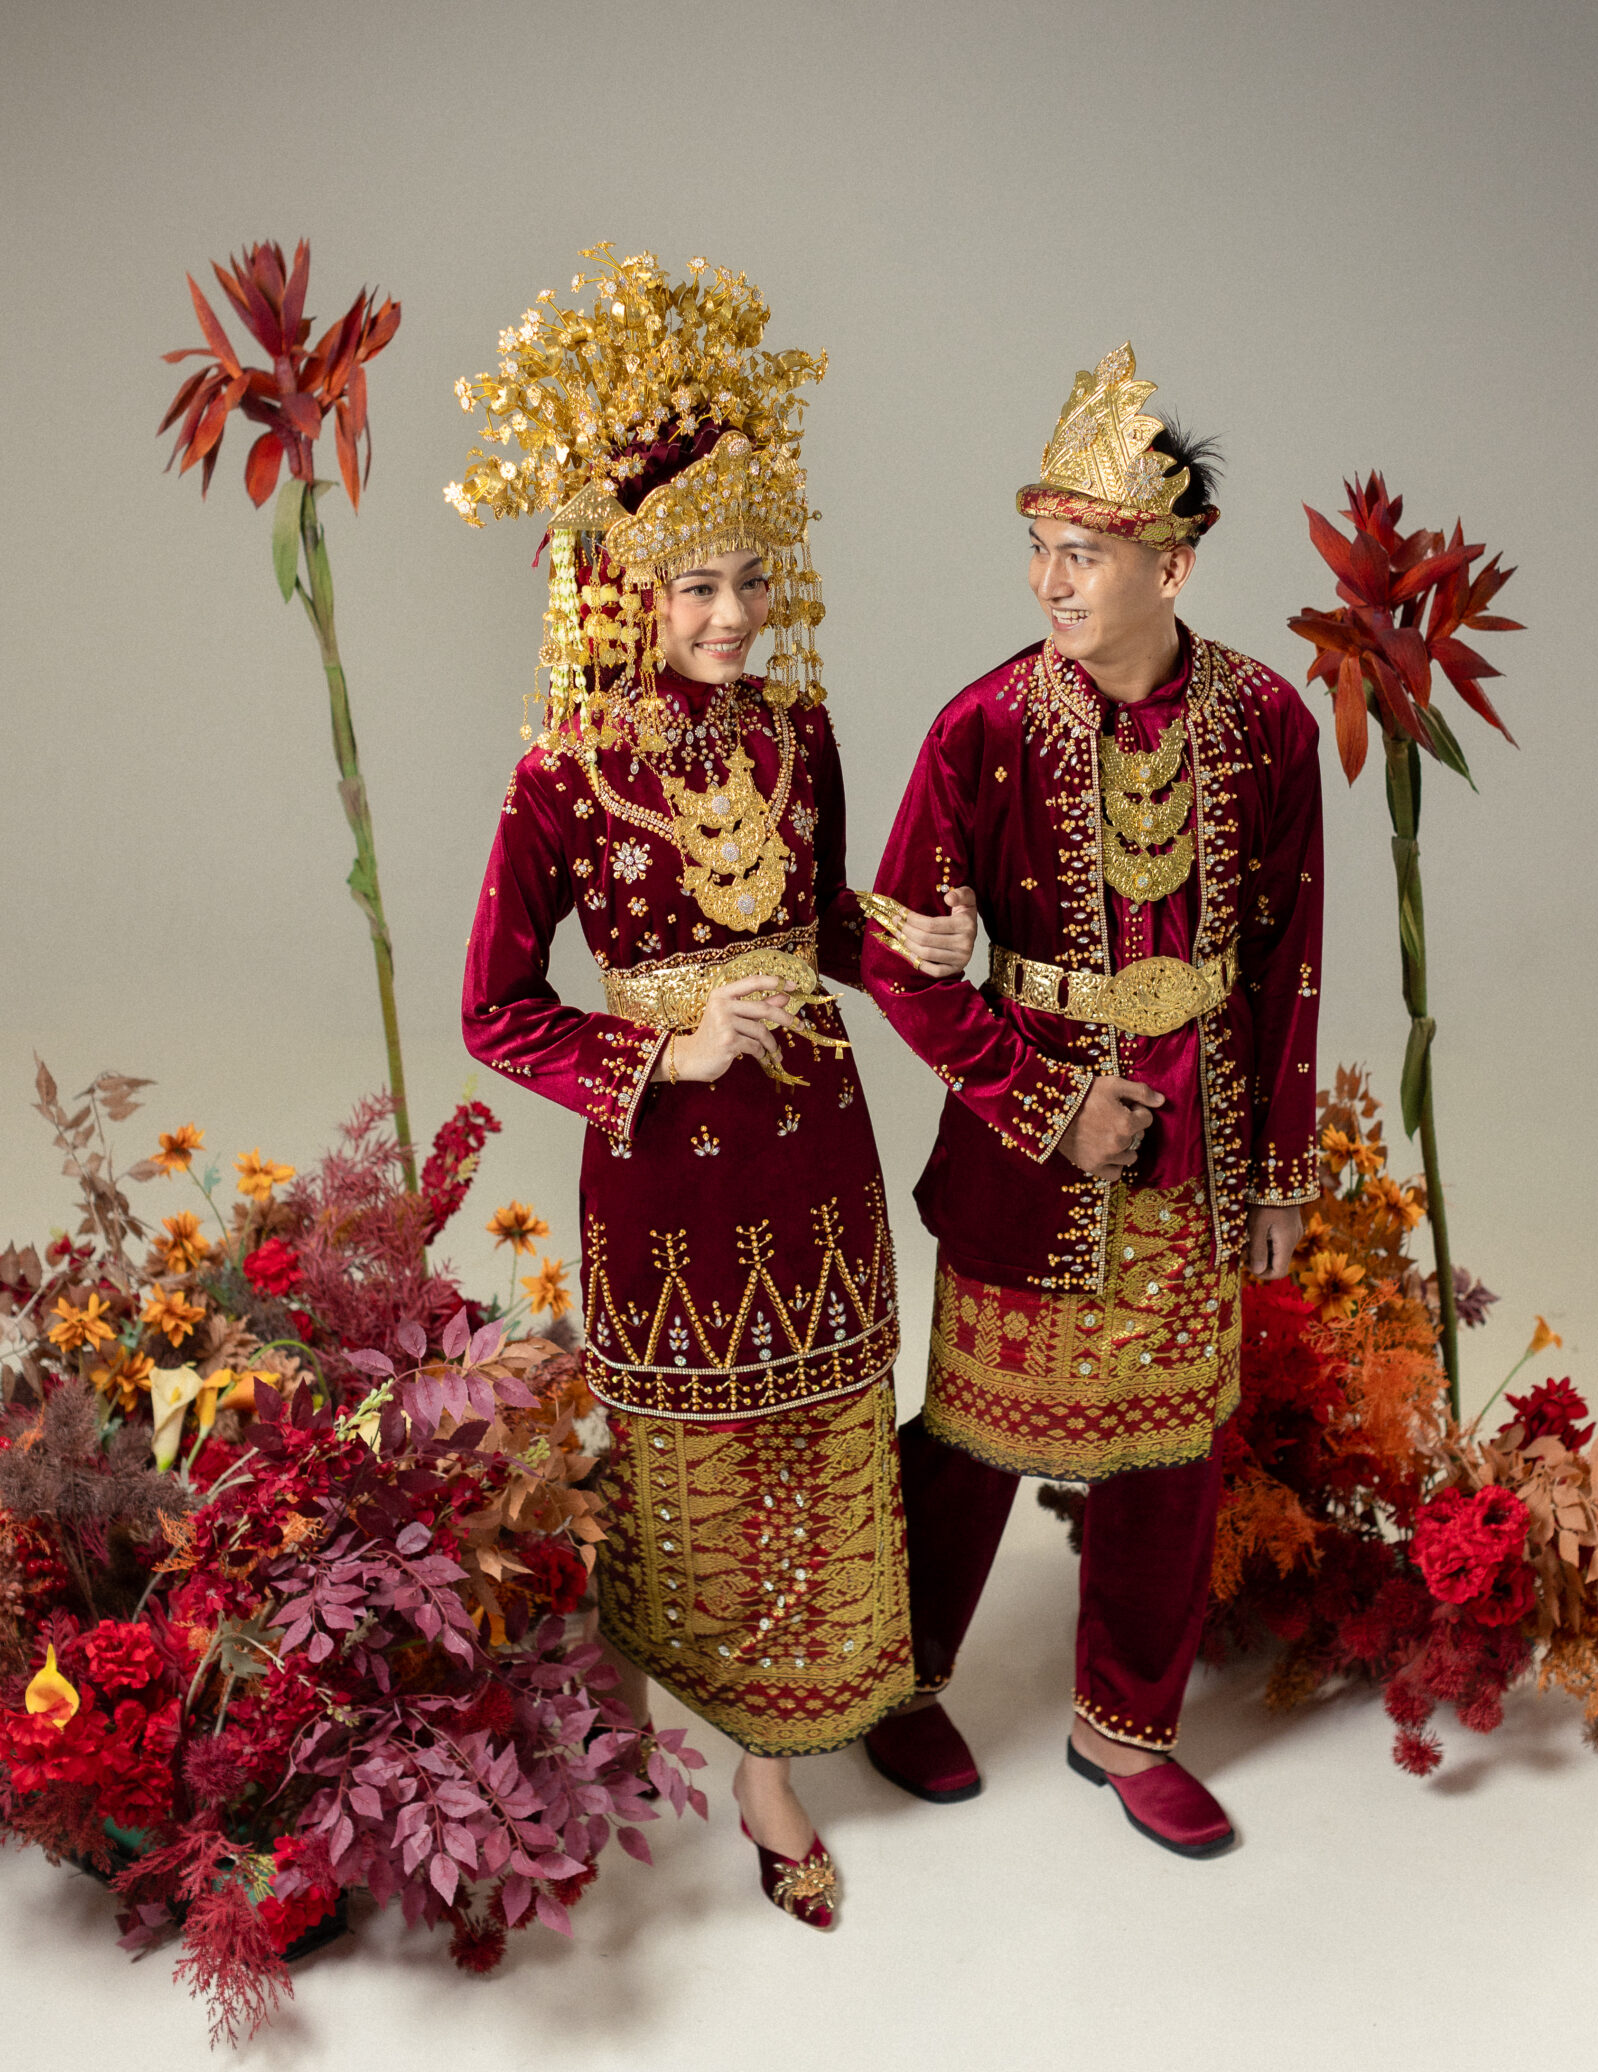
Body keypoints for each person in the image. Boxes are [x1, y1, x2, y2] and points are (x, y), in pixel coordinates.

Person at [451, 251, 974, 1926]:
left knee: (828, 1433)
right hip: (672, 1167)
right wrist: (657, 1050)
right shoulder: (562, 771)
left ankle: (796, 1727)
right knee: (702, 1456)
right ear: (625, 587)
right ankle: (723, 1731)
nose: (733, 615)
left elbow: (818, 922)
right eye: (695, 586)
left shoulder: (800, 731)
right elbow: (492, 1010)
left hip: (817, 1145)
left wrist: (911, 935)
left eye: (751, 578)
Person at [858, 342, 1322, 1856]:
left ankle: (1126, 1724)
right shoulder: (981, 729)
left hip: (1204, 1133)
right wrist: (1047, 1101)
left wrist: (1279, 1167)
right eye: (1040, 547)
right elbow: (900, 961)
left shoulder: (1268, 723)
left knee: (1173, 1452)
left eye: (1084, 552)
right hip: (1031, 1144)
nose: (1049, 581)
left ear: (1172, 565)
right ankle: (895, 1681)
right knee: (974, 1434)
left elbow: (1290, 959)